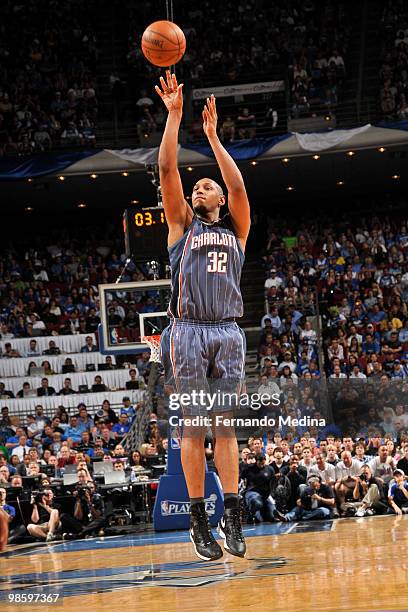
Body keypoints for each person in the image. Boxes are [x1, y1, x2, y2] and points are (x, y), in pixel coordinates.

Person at [156, 71, 251, 561]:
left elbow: (237, 183)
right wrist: (174, 117)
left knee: (226, 427)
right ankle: (198, 523)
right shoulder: (180, 226)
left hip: (228, 332)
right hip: (188, 330)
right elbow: (168, 171)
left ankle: (232, 520)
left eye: (207, 186)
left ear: (220, 201)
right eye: (198, 187)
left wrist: (214, 138)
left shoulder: (237, 227)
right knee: (194, 427)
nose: (201, 187)